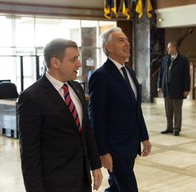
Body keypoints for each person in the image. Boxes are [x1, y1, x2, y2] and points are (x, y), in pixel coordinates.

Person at [17, 38, 103, 192]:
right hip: (54, 183)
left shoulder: (76, 88)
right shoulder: (31, 97)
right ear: (55, 62)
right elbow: (29, 152)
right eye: (73, 59)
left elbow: (86, 130)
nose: (79, 64)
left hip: (82, 180)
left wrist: (95, 165)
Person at [88, 27, 152, 192]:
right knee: (129, 187)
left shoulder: (129, 72)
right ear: (109, 47)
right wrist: (103, 151)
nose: (127, 43)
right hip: (114, 148)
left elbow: (136, 109)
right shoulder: (100, 76)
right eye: (121, 40)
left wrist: (144, 137)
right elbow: (97, 117)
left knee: (116, 187)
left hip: (130, 145)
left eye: (127, 40)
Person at [157, 41, 190, 136]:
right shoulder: (165, 59)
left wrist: (186, 89)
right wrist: (159, 85)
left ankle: (177, 128)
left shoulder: (183, 60)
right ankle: (169, 127)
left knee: (177, 110)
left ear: (174, 48)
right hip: (167, 89)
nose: (167, 49)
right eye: (167, 48)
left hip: (178, 89)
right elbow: (161, 73)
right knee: (168, 110)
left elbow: (186, 75)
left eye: (169, 47)